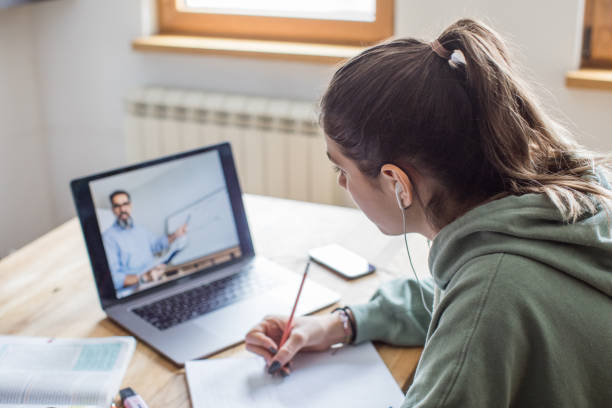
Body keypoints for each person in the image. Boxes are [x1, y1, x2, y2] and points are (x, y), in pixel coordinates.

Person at [245, 18, 612, 407]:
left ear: (396, 182)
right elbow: (456, 300)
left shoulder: (495, 291)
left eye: (342, 169)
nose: (341, 184)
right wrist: (341, 323)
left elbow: (481, 308)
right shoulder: (562, 198)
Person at [102, 190, 188, 290]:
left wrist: (175, 235)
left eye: (125, 204)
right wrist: (144, 277)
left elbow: (157, 245)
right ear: (113, 210)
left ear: (130, 206)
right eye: (117, 206)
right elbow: (114, 279)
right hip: (138, 287)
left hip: (158, 277)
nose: (122, 209)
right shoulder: (108, 237)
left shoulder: (141, 230)